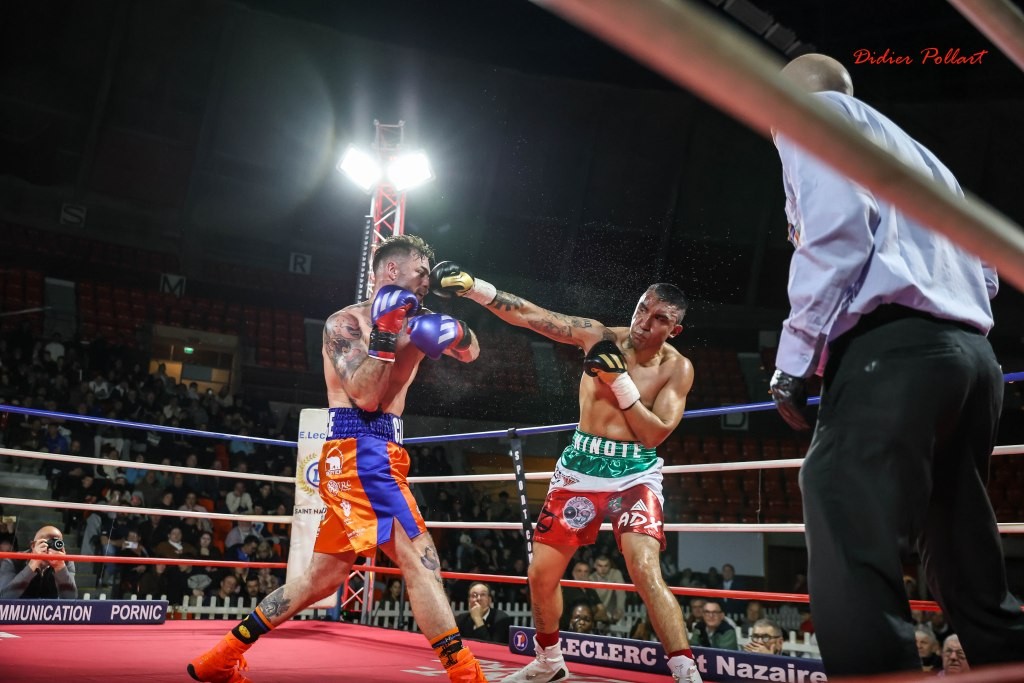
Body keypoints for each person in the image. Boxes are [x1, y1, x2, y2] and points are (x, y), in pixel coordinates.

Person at [767, 53, 1024, 676]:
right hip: (972, 355)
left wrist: (795, 359)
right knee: (957, 528)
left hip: (895, 350)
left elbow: (837, 234)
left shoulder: (812, 115)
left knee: (839, 499)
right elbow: (986, 271)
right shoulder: (924, 157)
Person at [187, 235, 487, 683]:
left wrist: (459, 331)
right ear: (391, 271)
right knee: (421, 562)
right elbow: (365, 397)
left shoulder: (418, 319)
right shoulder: (346, 323)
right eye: (421, 272)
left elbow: (471, 353)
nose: (428, 281)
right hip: (364, 452)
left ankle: (221, 657)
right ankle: (466, 675)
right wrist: (385, 333)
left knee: (321, 579)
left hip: (367, 456)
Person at [430, 263, 700, 683]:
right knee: (540, 574)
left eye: (660, 318)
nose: (645, 322)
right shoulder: (599, 336)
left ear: (674, 329)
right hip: (581, 468)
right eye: (643, 309)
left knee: (644, 568)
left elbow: (653, 434)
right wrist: (474, 287)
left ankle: (685, 671)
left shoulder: (677, 368)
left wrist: (619, 382)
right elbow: (532, 316)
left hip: (634, 473)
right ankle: (549, 660)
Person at [0, 525, 77, 599]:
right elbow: (5, 597)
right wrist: (32, 564)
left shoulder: (66, 562)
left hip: (50, 607)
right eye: (46, 544)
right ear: (33, 545)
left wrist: (60, 567)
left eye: (56, 544)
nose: (50, 548)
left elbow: (71, 599)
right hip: (19, 607)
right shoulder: (13, 561)